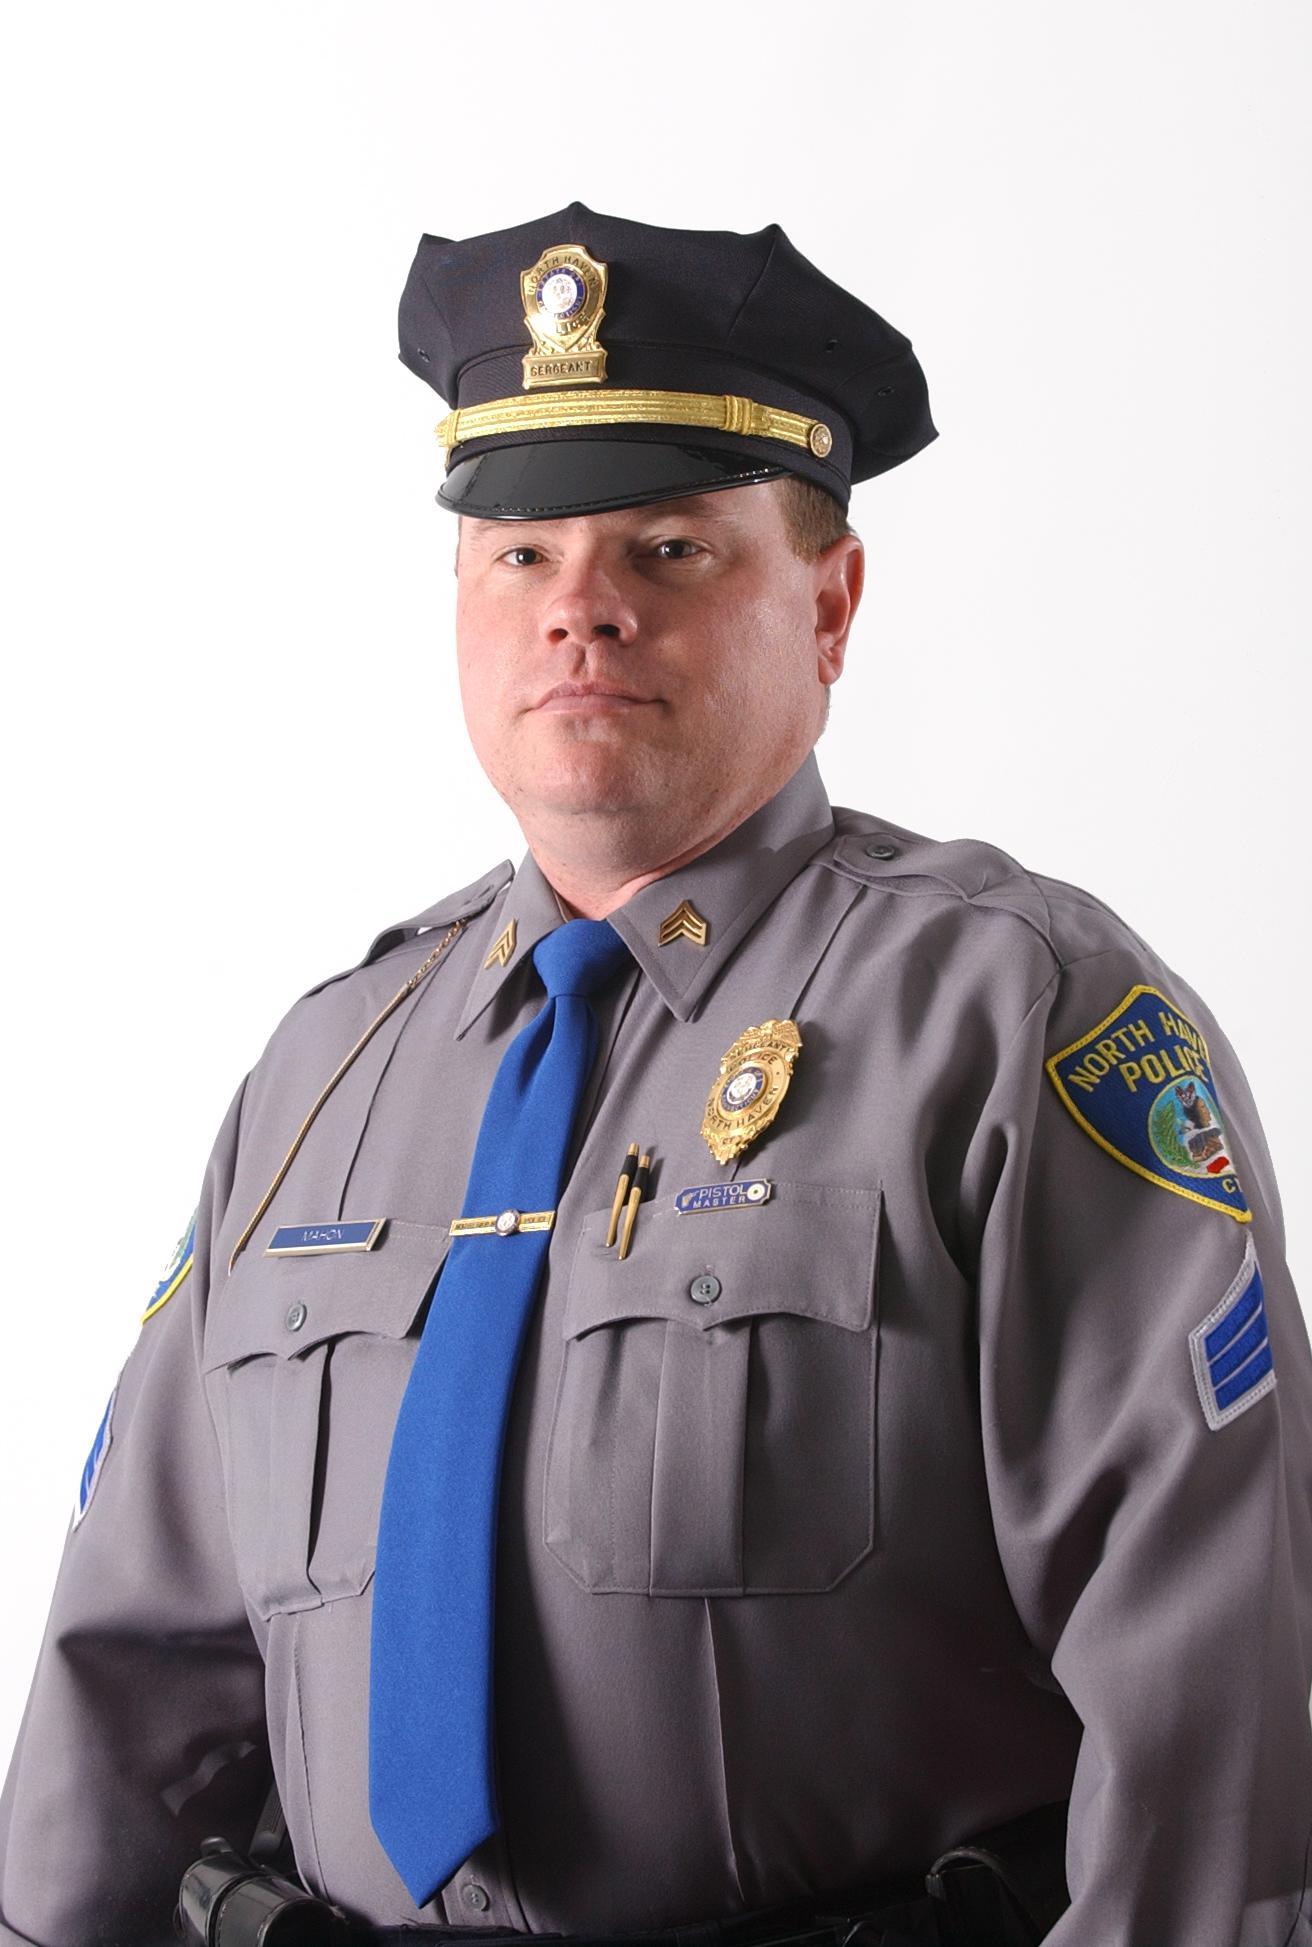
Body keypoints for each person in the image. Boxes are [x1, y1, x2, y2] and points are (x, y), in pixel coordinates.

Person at [1, 203, 1309, 1947]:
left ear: (830, 605)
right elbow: (130, 1690)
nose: (582, 613)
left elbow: (1219, 1699)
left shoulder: (1012, 1018)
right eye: (520, 557)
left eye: (671, 549)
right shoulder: (322, 1076)